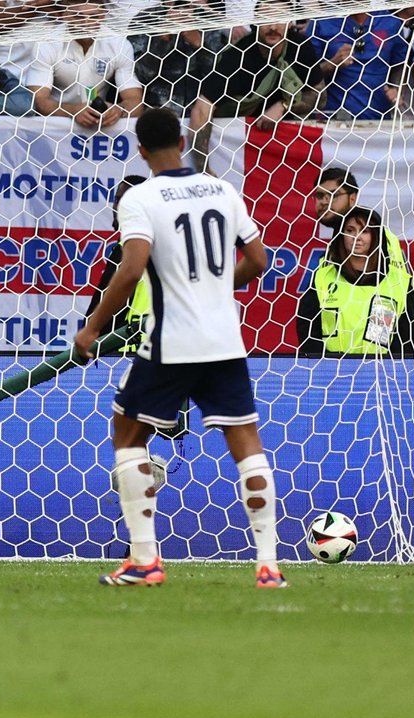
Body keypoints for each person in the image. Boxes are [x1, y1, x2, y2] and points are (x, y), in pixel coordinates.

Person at [74, 107, 285, 589]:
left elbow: (130, 271)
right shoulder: (222, 189)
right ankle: (269, 565)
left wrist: (91, 328)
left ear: (142, 150)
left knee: (127, 434)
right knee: (246, 444)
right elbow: (257, 259)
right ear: (184, 140)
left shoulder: (140, 198)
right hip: (224, 339)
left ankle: (146, 559)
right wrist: (215, 289)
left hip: (171, 339)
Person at [189, 10, 324, 172]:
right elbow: (202, 109)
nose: (273, 27)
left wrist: (284, 105)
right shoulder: (237, 55)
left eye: (280, 19)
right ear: (255, 22)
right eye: (266, 18)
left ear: (290, 23)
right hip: (236, 144)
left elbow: (320, 97)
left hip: (284, 143)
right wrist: (203, 170)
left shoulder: (301, 47)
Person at [297, 207, 414, 356]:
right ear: (341, 235)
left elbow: (407, 339)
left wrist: (386, 370)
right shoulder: (322, 278)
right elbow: (307, 331)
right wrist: (328, 366)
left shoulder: (399, 283)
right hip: (330, 373)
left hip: (381, 374)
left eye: (365, 231)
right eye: (350, 230)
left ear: (375, 236)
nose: (357, 237)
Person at [26, 0, 143, 130]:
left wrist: (119, 110)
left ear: (103, 16)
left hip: (100, 125)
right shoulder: (47, 44)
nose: (86, 24)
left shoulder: (119, 45)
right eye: (78, 16)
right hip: (53, 125)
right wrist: (73, 111)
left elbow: (135, 100)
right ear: (65, 15)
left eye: (94, 17)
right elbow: (38, 101)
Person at [308, 10, 411, 121]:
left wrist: (396, 88)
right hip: (332, 121)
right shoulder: (321, 22)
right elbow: (305, 74)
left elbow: (400, 66)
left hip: (378, 119)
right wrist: (332, 64)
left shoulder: (390, 22)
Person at [84, 174, 148, 348]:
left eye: (124, 201)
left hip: (131, 348)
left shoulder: (139, 249)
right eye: (116, 199)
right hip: (124, 348)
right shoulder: (124, 245)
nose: (116, 206)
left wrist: (91, 329)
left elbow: (119, 294)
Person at [313, 167, 407, 271]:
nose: (324, 202)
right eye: (320, 195)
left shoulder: (380, 238)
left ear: (352, 198)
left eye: (333, 195)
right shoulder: (337, 241)